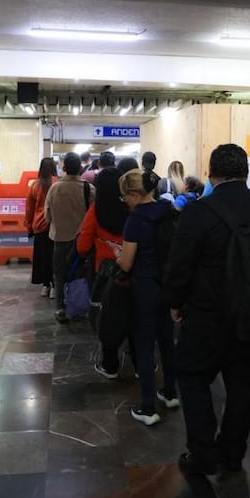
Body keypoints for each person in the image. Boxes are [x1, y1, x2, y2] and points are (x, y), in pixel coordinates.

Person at [164, 143, 250, 474]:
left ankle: (203, 453)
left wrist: (175, 302)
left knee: (192, 376)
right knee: (243, 385)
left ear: (210, 173)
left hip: (207, 316)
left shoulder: (197, 212)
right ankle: (233, 454)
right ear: (246, 172)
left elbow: (180, 266)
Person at [117, 168, 178, 425]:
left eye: (125, 197)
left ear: (134, 194)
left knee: (144, 345)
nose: (125, 202)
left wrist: (118, 256)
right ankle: (170, 393)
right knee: (167, 341)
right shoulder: (169, 212)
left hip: (144, 288)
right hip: (167, 286)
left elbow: (127, 263)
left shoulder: (136, 220)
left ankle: (148, 406)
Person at [76, 166, 131, 378]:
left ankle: (110, 364)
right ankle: (140, 363)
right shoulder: (131, 208)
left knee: (107, 318)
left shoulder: (96, 210)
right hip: (130, 269)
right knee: (133, 315)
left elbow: (82, 245)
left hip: (104, 274)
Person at [45, 152, 93, 322]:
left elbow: (47, 216)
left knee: (59, 274)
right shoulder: (89, 189)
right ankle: (81, 306)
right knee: (82, 274)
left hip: (60, 239)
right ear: (80, 168)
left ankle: (60, 308)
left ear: (64, 168)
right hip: (82, 241)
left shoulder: (54, 188)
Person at [25, 157, 57, 298]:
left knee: (42, 258)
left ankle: (45, 286)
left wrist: (29, 226)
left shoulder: (35, 185)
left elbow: (29, 209)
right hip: (55, 226)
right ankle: (55, 287)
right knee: (54, 257)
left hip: (39, 226)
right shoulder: (57, 183)